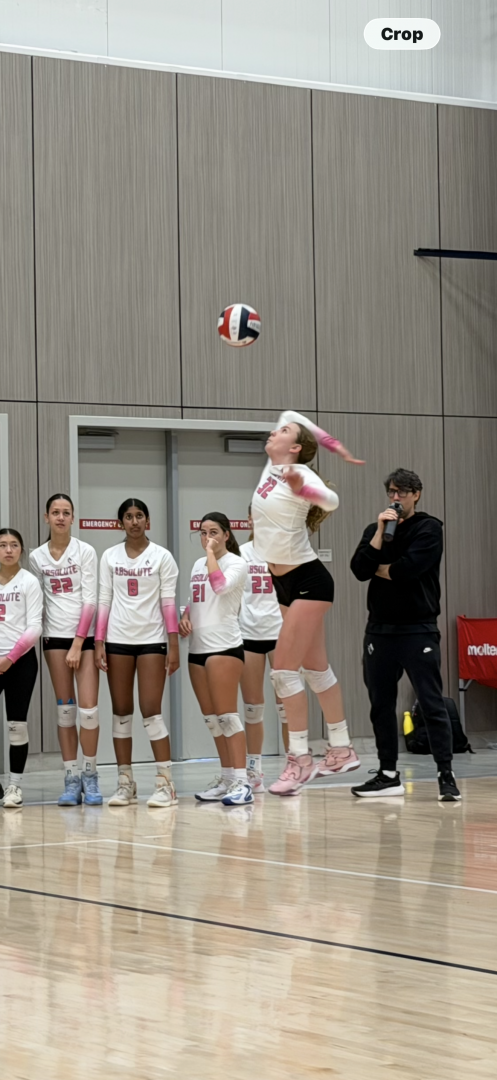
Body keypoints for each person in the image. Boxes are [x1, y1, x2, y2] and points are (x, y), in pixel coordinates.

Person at [251, 410, 364, 796]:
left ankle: (299, 759)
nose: (274, 431)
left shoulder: (301, 474)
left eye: (282, 432)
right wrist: (335, 446)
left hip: (308, 581)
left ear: (296, 448)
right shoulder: (271, 467)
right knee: (316, 670)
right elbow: (291, 413)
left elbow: (331, 501)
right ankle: (342, 748)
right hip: (282, 582)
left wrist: (304, 485)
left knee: (283, 672)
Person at [350, 468, 460, 801]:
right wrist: (379, 532)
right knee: (380, 704)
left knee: (431, 702)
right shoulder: (376, 529)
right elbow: (359, 570)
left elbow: (408, 570)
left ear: (416, 494)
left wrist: (382, 568)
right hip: (379, 630)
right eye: (391, 492)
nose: (395, 498)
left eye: (402, 492)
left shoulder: (429, 528)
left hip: (418, 629)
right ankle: (387, 775)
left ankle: (445, 774)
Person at [95, 498, 179, 807]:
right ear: (121, 523)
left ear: (147, 521)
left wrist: (173, 644)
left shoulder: (162, 556)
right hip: (117, 640)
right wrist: (99, 642)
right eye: (128, 516)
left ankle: (165, 784)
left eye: (139, 515)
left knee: (151, 711)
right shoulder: (109, 556)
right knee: (121, 713)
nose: (134, 521)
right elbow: (104, 599)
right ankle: (125, 783)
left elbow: (168, 602)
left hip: (152, 641)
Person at [30, 494, 101, 806]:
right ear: (46, 517)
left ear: (73, 518)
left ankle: (90, 774)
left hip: (83, 640)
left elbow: (90, 600)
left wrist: (78, 642)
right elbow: (37, 600)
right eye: (55, 512)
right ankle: (71, 777)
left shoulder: (85, 551)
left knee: (89, 711)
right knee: (66, 710)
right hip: (54, 639)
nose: (60, 517)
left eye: (66, 512)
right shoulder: (36, 557)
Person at [179, 512, 252, 806]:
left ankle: (242, 782)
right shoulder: (198, 565)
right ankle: (226, 778)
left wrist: (211, 554)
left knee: (227, 717)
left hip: (224, 647)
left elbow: (220, 586)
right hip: (197, 648)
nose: (206, 537)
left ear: (226, 535)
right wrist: (185, 616)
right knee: (212, 720)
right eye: (202, 532)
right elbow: (195, 598)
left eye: (213, 532)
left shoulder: (236, 563)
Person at [239, 504, 286, 794]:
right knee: (253, 707)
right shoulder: (240, 554)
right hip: (249, 634)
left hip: (281, 634)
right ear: (250, 520)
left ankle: (294, 765)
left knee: (287, 707)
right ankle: (253, 769)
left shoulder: (286, 551)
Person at [0, 529, 43, 808]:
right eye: (2, 545)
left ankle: (14, 786)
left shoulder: (29, 581)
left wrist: (9, 658)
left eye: (14, 545)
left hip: (21, 661)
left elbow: (34, 626)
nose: (8, 550)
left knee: (17, 726)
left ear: (21, 550)